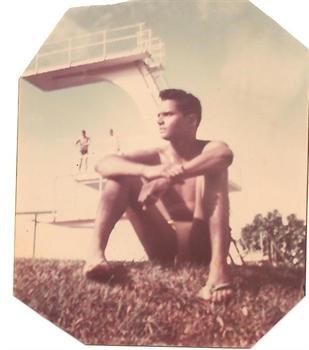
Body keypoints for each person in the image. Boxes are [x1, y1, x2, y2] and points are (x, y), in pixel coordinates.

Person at [84, 89, 234, 303]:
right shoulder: (156, 156)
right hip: (164, 244)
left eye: (168, 115)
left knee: (215, 169)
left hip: (203, 242)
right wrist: (149, 171)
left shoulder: (209, 148)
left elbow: (224, 155)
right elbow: (103, 164)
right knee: (120, 175)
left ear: (192, 120)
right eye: (158, 116)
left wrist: (170, 177)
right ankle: (95, 256)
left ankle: (218, 272)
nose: (159, 121)